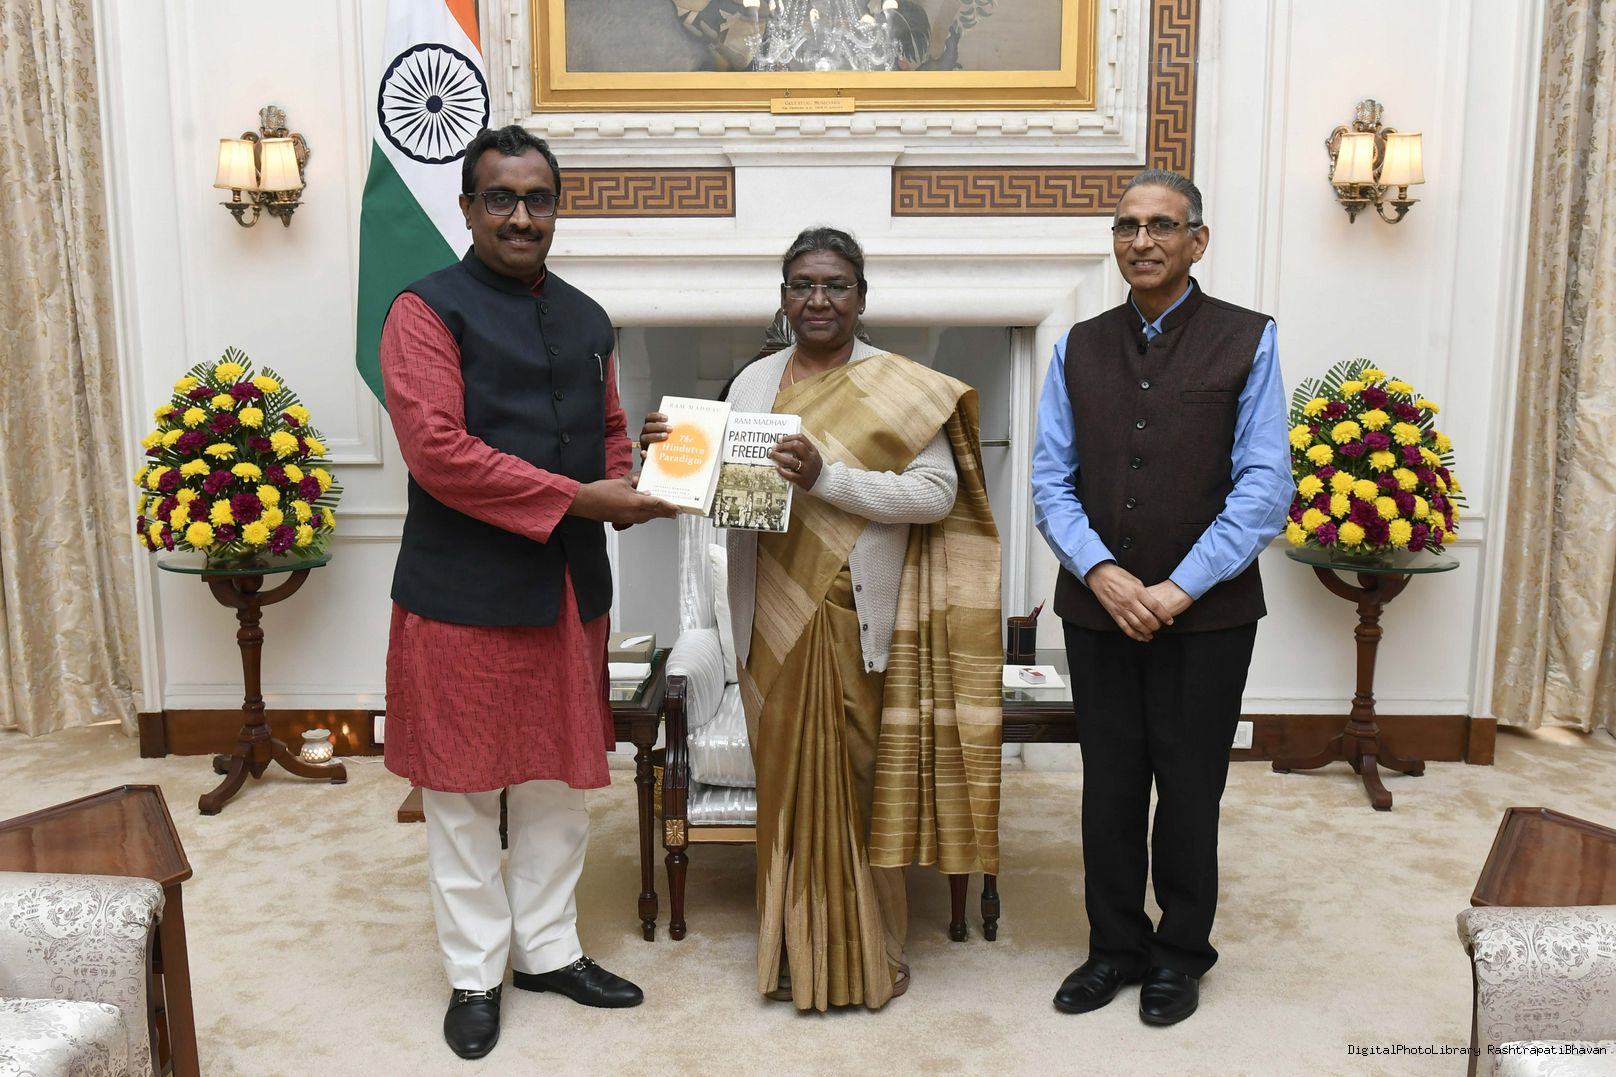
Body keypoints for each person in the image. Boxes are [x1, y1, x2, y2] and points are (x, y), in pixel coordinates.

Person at [640, 226, 1002, 1011]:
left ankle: (872, 954)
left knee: (859, 790)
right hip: (767, 621)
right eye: (803, 284)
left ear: (862, 297)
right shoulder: (751, 383)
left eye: (836, 285)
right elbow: (714, 489)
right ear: (783, 297)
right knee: (786, 793)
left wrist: (826, 476)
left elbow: (935, 494)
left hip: (855, 617)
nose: (819, 299)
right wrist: (666, 457)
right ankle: (790, 951)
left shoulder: (900, 385)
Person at [379, 125, 675, 1060]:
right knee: (463, 790)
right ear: (468, 208)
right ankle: (475, 972)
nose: (520, 216)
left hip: (568, 589)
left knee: (556, 780)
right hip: (460, 591)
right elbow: (439, 453)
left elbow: (611, 428)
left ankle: (547, 950)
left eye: (537, 199)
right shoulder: (424, 310)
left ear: (556, 208)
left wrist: (634, 479)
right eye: (500, 198)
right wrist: (583, 499)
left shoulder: (588, 317)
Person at [1031, 170, 1291, 1027]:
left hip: (1208, 617)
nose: (1141, 241)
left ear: (1197, 240)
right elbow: (1050, 480)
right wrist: (1103, 572)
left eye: (1161, 226)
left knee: (1188, 789)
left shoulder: (1249, 338)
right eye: (1126, 226)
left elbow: (1265, 486)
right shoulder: (1076, 345)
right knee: (1108, 787)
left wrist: (1178, 589)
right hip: (1097, 608)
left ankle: (1180, 953)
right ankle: (1114, 946)